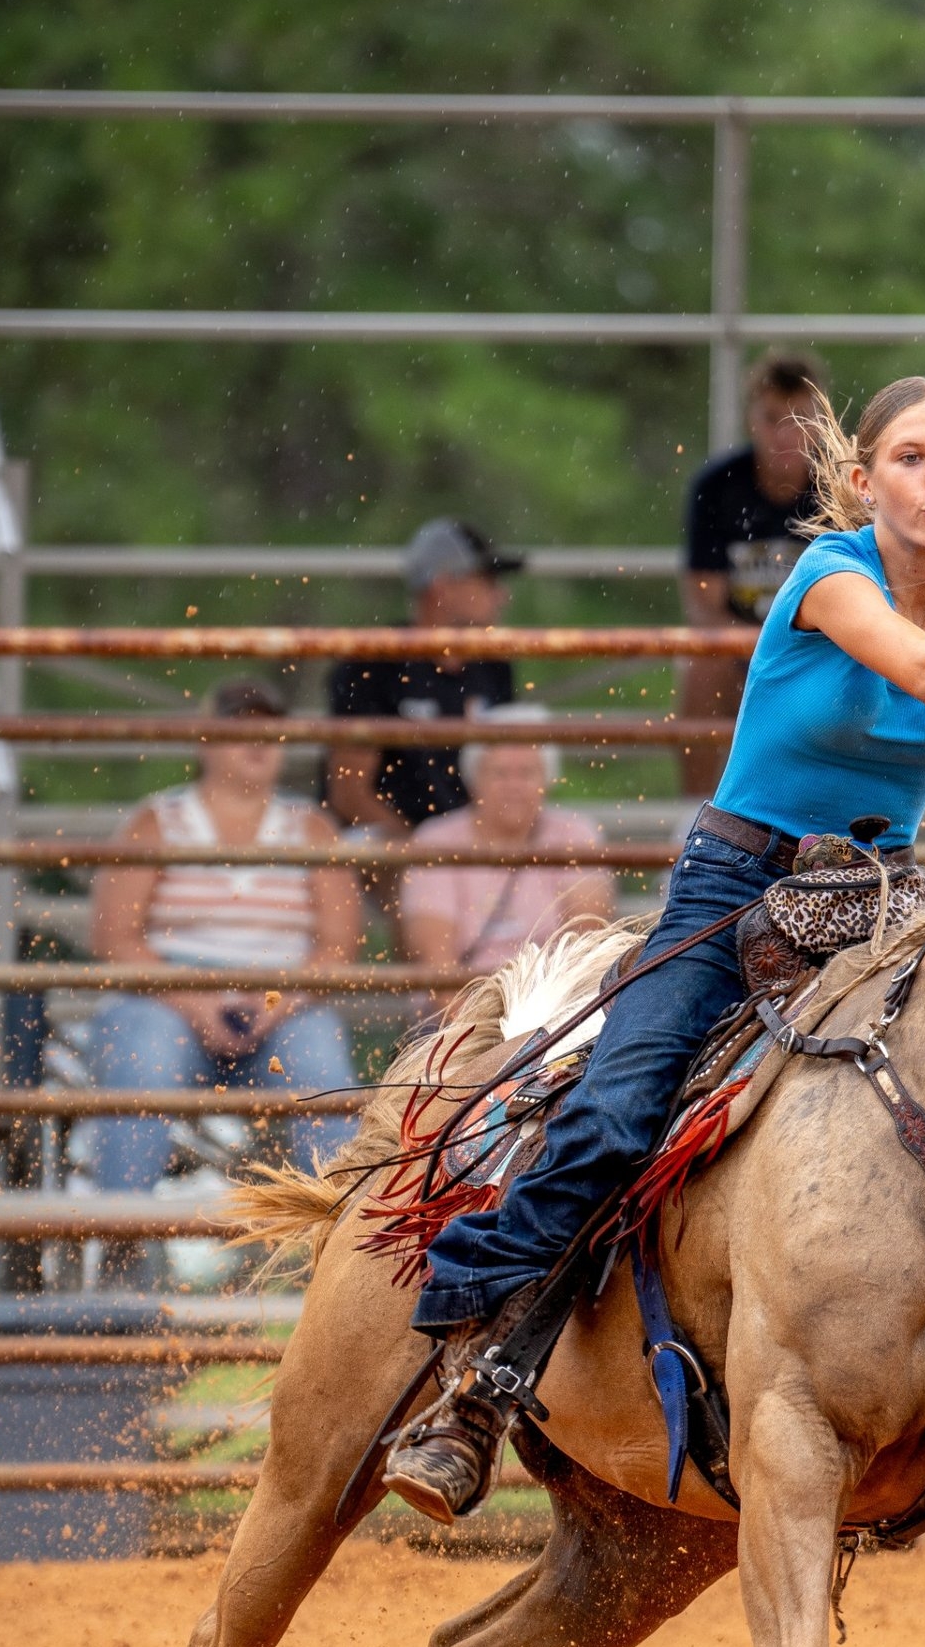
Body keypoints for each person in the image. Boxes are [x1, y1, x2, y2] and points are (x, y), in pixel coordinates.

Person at [384, 372, 925, 1524]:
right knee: (624, 1103)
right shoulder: (831, 575)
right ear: (865, 480)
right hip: (736, 883)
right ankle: (480, 1369)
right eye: (912, 458)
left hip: (885, 895)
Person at [87, 680, 362, 1221]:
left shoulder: (311, 827)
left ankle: (343, 1244)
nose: (258, 742)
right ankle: (121, 1245)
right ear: (206, 741)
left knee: (324, 1073)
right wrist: (192, 999)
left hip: (285, 999)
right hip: (166, 997)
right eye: (240, 728)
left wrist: (277, 1001)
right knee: (142, 1063)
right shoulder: (155, 822)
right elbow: (115, 938)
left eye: (269, 730)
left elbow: (338, 946)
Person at [676, 352, 825, 798]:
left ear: (821, 423)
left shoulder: (839, 487)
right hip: (738, 642)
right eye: (773, 418)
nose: (786, 434)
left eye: (800, 419)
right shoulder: (717, 486)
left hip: (818, 643)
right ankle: (695, 810)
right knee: (702, 663)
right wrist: (756, 647)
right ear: (750, 421)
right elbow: (704, 598)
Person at [326, 518, 522, 836]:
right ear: (442, 585)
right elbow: (349, 794)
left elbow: (506, 776)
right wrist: (423, 856)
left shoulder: (494, 666)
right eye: (486, 580)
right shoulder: (375, 660)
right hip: (388, 845)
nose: (501, 596)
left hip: (463, 849)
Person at [401, 708, 618, 978]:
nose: (513, 785)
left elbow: (588, 938)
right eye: (500, 773)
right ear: (473, 780)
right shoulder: (435, 841)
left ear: (546, 780)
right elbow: (435, 961)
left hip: (549, 1001)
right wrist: (473, 1019)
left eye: (526, 773)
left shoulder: (574, 834)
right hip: (465, 1001)